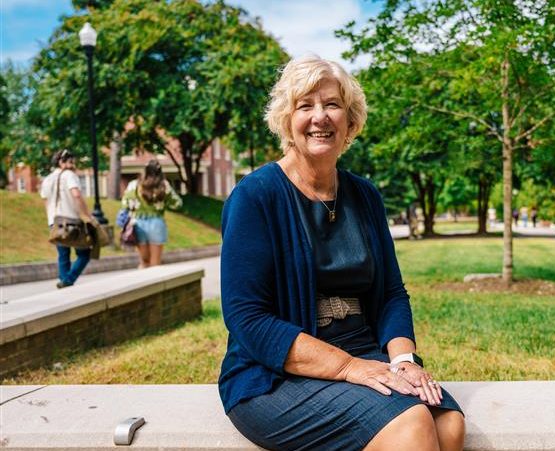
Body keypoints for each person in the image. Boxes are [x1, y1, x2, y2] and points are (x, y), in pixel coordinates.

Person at [218, 55, 465, 451]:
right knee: (412, 425)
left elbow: (391, 293)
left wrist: (403, 362)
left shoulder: (365, 195)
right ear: (286, 120)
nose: (320, 117)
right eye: (305, 105)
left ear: (350, 121)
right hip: (275, 375)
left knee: (448, 423)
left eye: (332, 104)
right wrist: (348, 367)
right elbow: (247, 318)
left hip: (363, 352)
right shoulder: (255, 196)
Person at [39, 149, 96, 288]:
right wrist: (87, 215)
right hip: (71, 221)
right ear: (61, 162)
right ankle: (68, 280)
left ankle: (64, 282)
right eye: (70, 161)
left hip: (54, 221)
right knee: (84, 253)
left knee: (63, 254)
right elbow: (76, 194)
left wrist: (51, 218)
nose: (73, 164)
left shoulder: (47, 179)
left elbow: (45, 200)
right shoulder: (69, 175)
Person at [121, 160, 183, 268]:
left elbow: (125, 203)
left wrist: (136, 206)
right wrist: (164, 203)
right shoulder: (164, 185)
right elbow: (177, 204)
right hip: (157, 222)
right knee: (155, 263)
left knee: (144, 262)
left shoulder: (134, 185)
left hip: (138, 223)